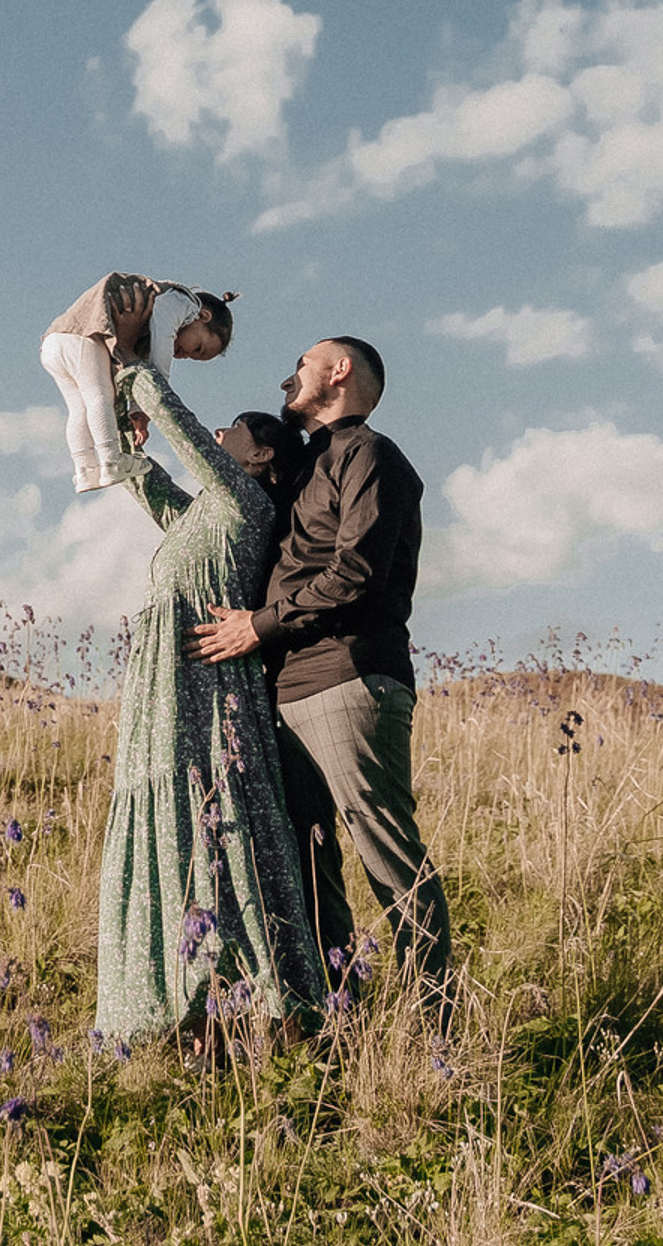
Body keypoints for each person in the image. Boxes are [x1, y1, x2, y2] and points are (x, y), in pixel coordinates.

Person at [185, 336, 454, 1010]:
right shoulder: (307, 467)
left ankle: (437, 1022)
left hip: (348, 679)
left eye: (302, 364)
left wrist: (259, 625)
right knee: (309, 859)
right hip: (287, 688)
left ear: (339, 372)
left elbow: (356, 574)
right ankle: (345, 1012)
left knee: (387, 854)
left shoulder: (372, 456)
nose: (288, 376)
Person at [93, 297, 324, 1047]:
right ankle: (166, 1006)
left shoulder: (246, 506)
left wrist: (138, 374)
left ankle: (270, 1001)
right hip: (166, 697)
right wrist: (122, 435)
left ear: (257, 459)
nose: (219, 437)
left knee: (215, 821)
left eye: (234, 434)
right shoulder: (208, 516)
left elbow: (187, 438)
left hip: (201, 695)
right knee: (169, 818)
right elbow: (148, 482)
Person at [42, 273, 234, 494]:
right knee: (99, 397)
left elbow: (133, 370)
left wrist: (138, 413)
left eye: (194, 358)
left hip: (54, 343)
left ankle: (84, 470)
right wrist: (157, 390)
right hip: (83, 336)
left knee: (79, 409)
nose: (187, 355)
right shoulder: (181, 302)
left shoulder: (145, 336)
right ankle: (111, 460)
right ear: (203, 316)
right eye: (198, 348)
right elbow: (161, 344)